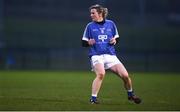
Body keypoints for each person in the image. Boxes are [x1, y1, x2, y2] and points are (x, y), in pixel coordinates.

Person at [81, 4, 141, 104]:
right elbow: (83, 42)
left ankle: (130, 94)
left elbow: (117, 38)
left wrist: (115, 41)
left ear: (100, 13)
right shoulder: (89, 26)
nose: (91, 15)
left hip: (110, 55)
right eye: (90, 13)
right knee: (101, 74)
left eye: (93, 13)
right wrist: (88, 43)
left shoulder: (111, 24)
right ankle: (93, 99)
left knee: (126, 76)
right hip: (96, 55)